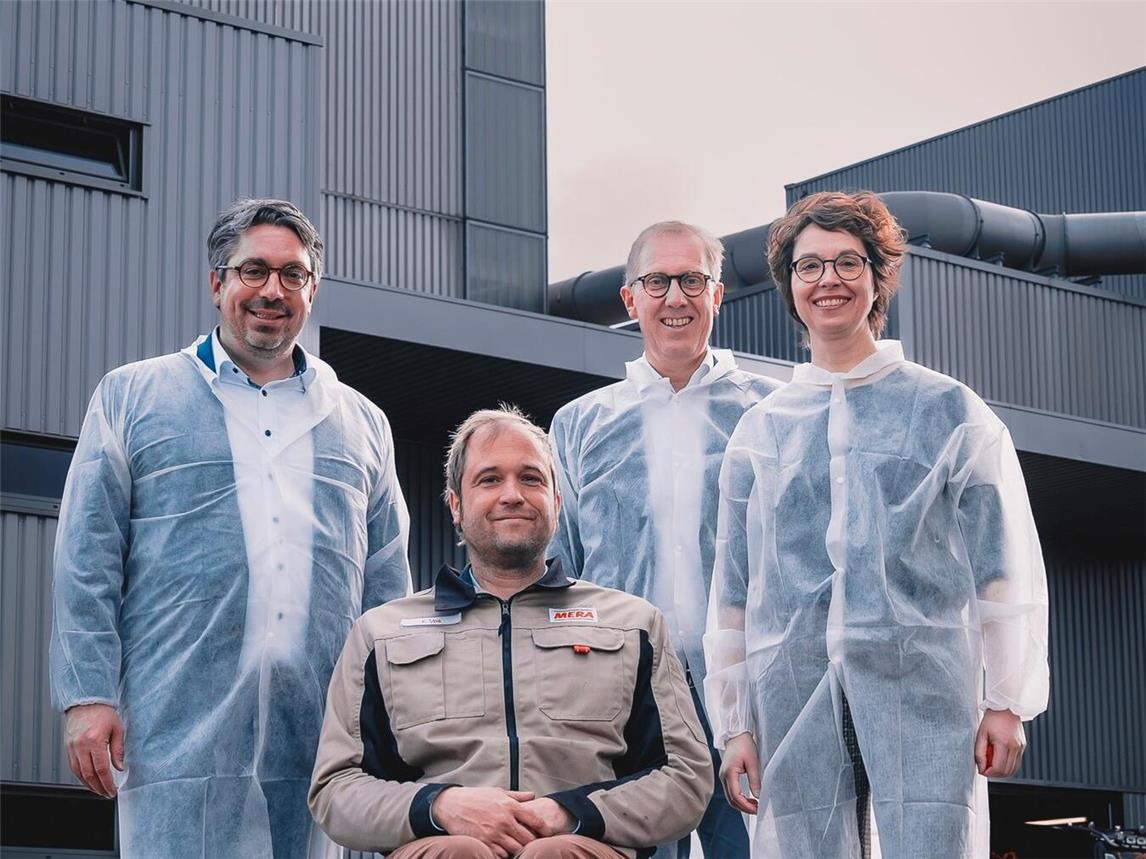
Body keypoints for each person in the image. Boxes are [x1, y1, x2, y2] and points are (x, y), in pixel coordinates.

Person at [50, 198, 412, 858]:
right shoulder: (135, 396)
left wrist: (389, 712)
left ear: (312, 289)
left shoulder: (360, 423)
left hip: (322, 739)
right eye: (253, 270)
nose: (272, 290)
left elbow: (386, 583)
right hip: (175, 736)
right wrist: (88, 694)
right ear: (217, 283)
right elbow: (87, 555)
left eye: (292, 274)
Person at [704, 191, 1049, 859]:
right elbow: (732, 593)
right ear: (790, 285)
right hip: (792, 697)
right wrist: (736, 724)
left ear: (878, 275)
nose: (828, 279)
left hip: (922, 691)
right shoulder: (761, 431)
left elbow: (1002, 567)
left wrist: (1007, 700)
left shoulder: (947, 407)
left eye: (847, 262)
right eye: (809, 266)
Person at [309, 406, 713, 859]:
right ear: (456, 506)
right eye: (489, 479)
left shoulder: (632, 624)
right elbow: (336, 788)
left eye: (531, 478)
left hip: (583, 848)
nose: (512, 495)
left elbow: (685, 777)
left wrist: (566, 814)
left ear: (557, 503)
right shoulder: (381, 634)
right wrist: (441, 807)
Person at [549, 221, 778, 858]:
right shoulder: (582, 425)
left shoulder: (771, 413)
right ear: (631, 299)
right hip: (624, 698)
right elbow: (559, 570)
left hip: (748, 698)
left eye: (692, 281)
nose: (675, 297)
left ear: (717, 295)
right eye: (657, 282)